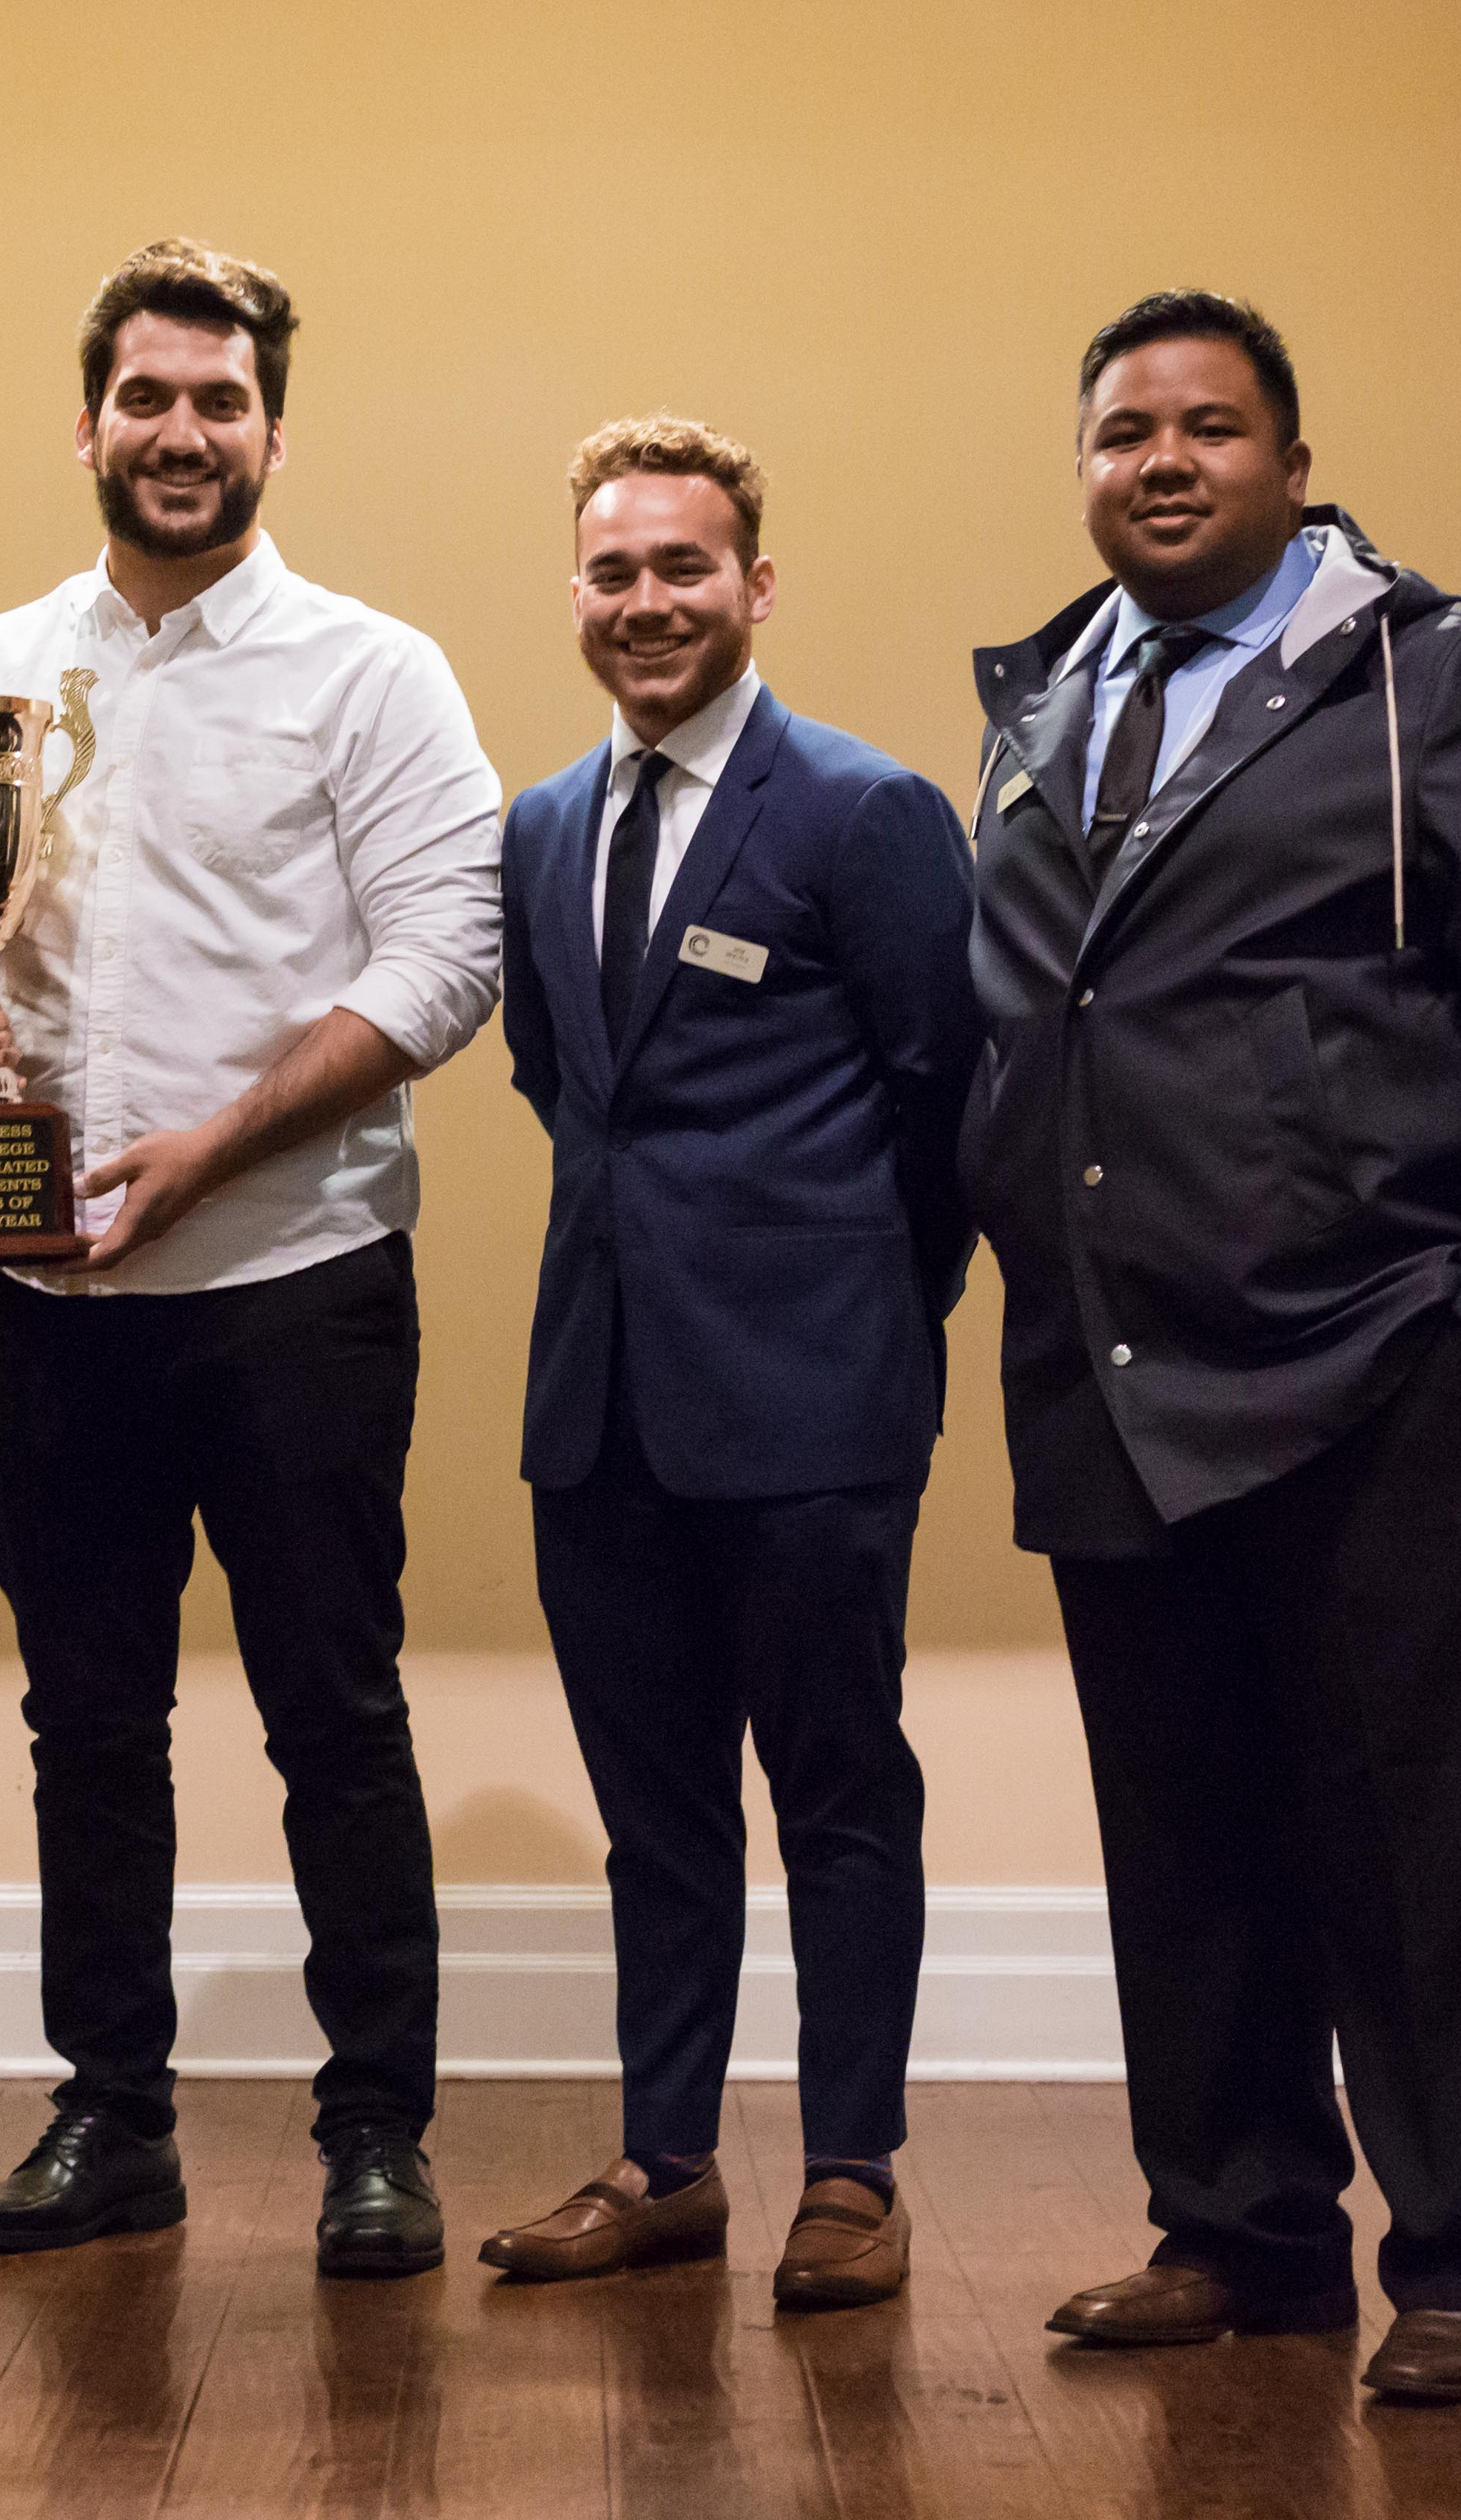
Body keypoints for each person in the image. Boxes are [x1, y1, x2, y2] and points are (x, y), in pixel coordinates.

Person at [965, 290, 1461, 2403]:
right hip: (1107, 1368)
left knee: (1415, 1839)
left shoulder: (1442, 674)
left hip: (1377, 1362)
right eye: (1121, 432)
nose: (1158, 461)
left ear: (1288, 460)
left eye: (1206, 426)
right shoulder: (1040, 703)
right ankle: (1238, 2231)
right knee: (1181, 1837)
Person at [0, 239, 504, 2278]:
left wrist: (206, 1151)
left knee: (331, 1713)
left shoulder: (372, 671)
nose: (180, 432)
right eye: (146, 397)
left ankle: (374, 2133)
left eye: (219, 400)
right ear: (86, 420)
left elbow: (446, 958)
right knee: (82, 1719)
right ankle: (113, 2117)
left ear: (270, 430)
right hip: (45, 1300)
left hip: (296, 1284)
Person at [477, 420, 978, 2312]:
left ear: (753, 584)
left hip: (812, 1405)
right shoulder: (539, 825)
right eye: (612, 570)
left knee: (839, 1794)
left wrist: (859, 1317)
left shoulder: (863, 810)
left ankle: (850, 2170)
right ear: (576, 593)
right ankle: (664, 2159)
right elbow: (560, 1081)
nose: (645, 602)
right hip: (596, 1404)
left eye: (682, 566)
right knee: (655, 1815)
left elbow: (946, 1106)